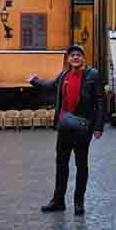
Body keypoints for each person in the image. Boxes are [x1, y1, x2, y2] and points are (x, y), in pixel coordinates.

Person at [27, 44, 104, 216]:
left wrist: (98, 127)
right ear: (68, 59)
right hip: (64, 127)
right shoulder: (64, 75)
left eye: (78, 55)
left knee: (81, 165)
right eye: (72, 55)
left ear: (83, 58)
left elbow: (100, 101)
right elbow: (49, 85)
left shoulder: (93, 75)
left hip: (83, 127)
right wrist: (34, 80)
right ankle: (58, 201)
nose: (75, 57)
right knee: (61, 164)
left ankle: (78, 202)